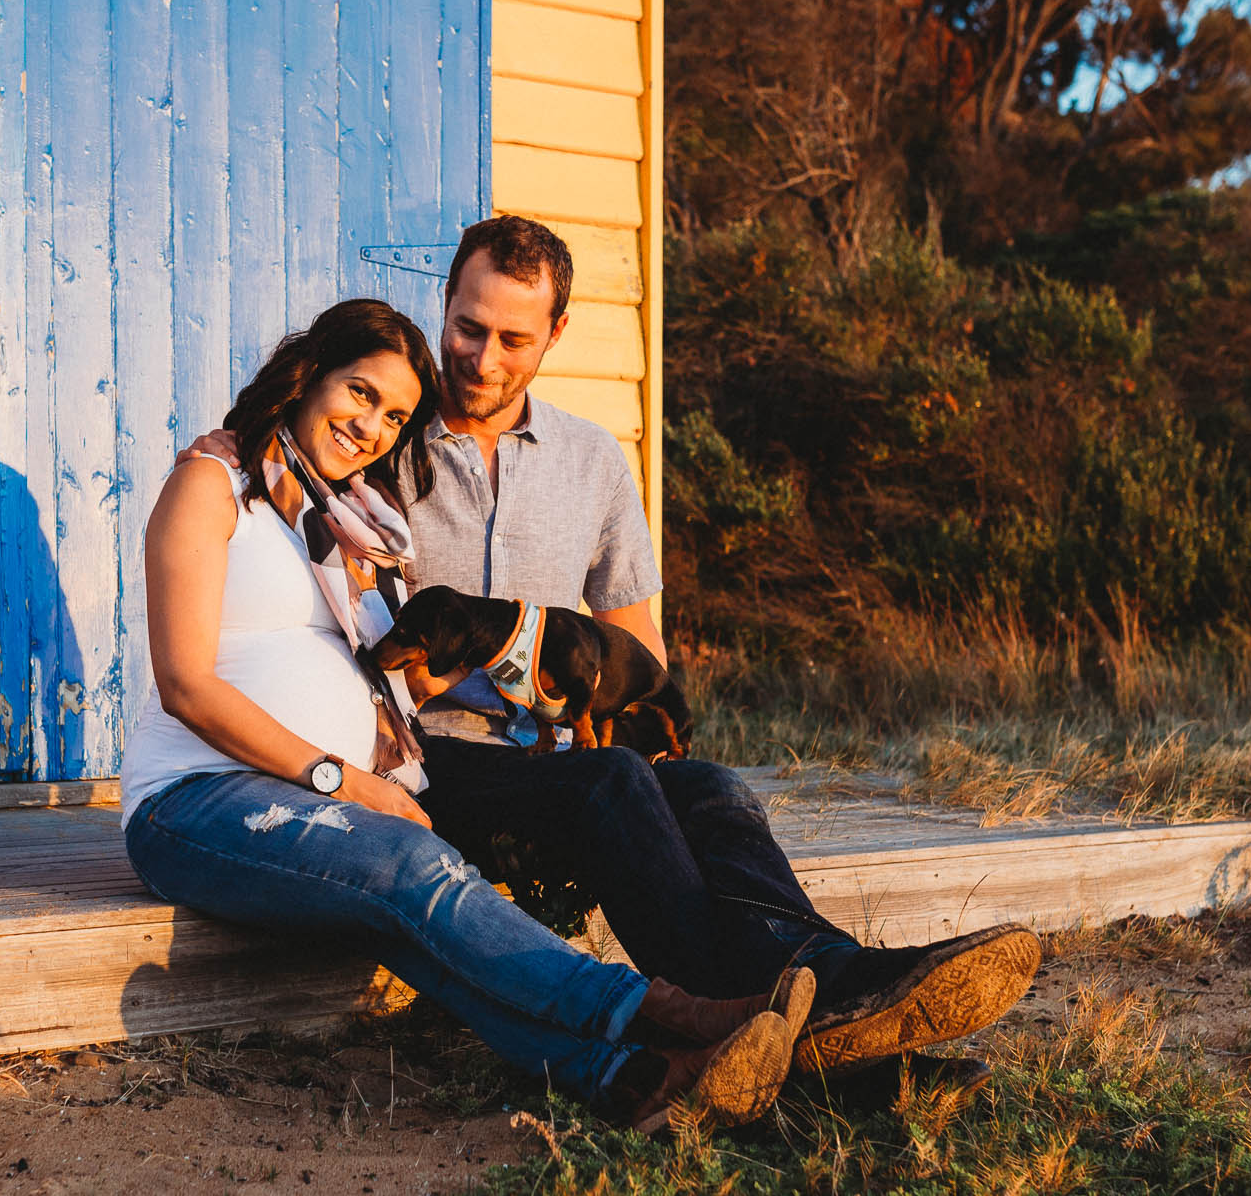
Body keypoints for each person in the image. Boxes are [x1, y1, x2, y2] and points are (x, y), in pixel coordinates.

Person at [185, 218, 1041, 1080]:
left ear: (557, 333)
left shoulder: (593, 462)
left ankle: (830, 979)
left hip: (560, 762)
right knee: (613, 781)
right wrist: (239, 442)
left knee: (705, 784)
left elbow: (641, 664)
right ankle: (772, 1033)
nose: (483, 359)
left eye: (515, 338)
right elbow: (295, 470)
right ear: (443, 306)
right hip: (435, 763)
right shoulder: (386, 441)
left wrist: (530, 642)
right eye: (468, 328)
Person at [122, 298, 817, 1133]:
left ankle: (635, 1079)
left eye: (395, 415)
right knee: (409, 867)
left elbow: (397, 680)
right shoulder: (214, 483)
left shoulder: (358, 530)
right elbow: (184, 683)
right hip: (196, 799)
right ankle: (664, 1013)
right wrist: (342, 778)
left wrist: (518, 666)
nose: (372, 424)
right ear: (309, 374)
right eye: (360, 392)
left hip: (325, 796)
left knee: (411, 909)